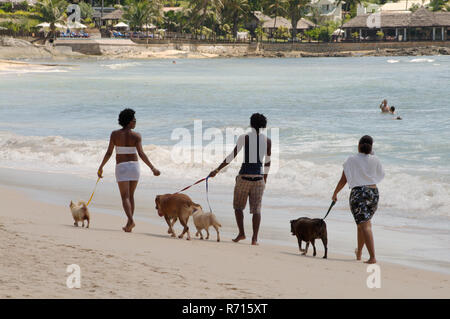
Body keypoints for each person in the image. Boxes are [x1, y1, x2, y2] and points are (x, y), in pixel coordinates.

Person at [209, 113, 272, 245]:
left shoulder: (245, 138)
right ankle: (254, 239)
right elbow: (267, 162)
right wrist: (264, 178)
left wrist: (217, 169)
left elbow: (231, 156)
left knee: (238, 207)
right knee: (257, 210)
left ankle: (242, 233)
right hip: (259, 179)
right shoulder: (267, 141)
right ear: (263, 125)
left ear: (251, 123)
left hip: (244, 177)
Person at [98, 108, 160, 232]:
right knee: (130, 196)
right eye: (134, 120)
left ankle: (130, 221)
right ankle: (129, 224)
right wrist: (152, 168)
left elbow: (109, 152)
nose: (136, 122)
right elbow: (141, 154)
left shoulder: (114, 134)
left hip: (122, 167)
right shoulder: (136, 136)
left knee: (125, 197)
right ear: (128, 122)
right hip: (134, 167)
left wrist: (101, 167)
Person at [331, 135, 384, 264]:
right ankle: (359, 253)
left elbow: (343, 180)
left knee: (365, 226)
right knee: (362, 224)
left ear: (358, 145)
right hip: (373, 193)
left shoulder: (351, 159)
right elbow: (380, 175)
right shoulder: (375, 159)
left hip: (359, 193)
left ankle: (372, 257)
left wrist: (335, 193)